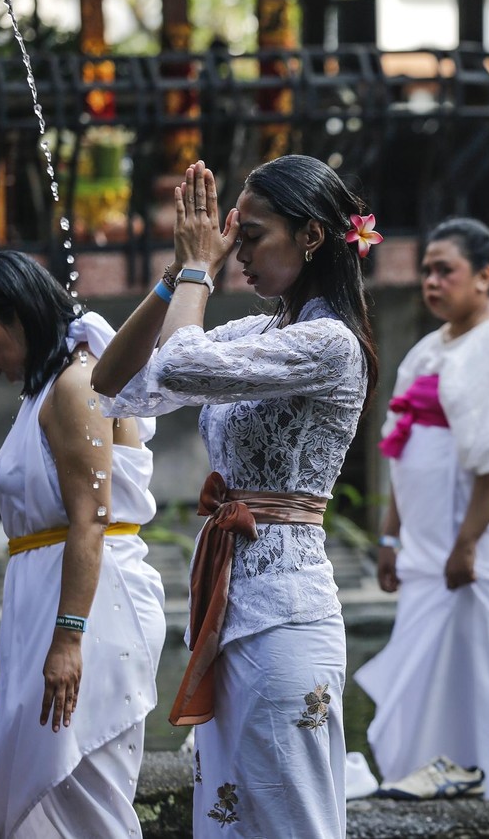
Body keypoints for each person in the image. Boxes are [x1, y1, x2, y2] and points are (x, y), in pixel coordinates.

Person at [91, 155, 380, 838]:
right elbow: (116, 386)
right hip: (227, 612)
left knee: (293, 821)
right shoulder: (255, 334)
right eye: (232, 237)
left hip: (285, 614)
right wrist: (175, 276)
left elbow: (183, 361)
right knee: (226, 818)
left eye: (252, 236)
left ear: (310, 236)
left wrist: (200, 269)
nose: (237, 252)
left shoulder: (331, 344)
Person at [0, 251, 166, 838]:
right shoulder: (44, 391)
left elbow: (90, 519)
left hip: (91, 610)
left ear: (19, 316)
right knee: (31, 782)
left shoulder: (75, 386)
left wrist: (68, 638)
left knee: (81, 789)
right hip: (45, 603)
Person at [354, 218, 489, 807]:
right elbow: (398, 445)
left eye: (446, 270)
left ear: (484, 277)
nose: (432, 282)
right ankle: (424, 785)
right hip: (428, 540)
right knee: (430, 666)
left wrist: (467, 545)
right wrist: (391, 538)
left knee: (482, 666)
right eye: (427, 271)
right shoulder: (431, 345)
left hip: (482, 540)